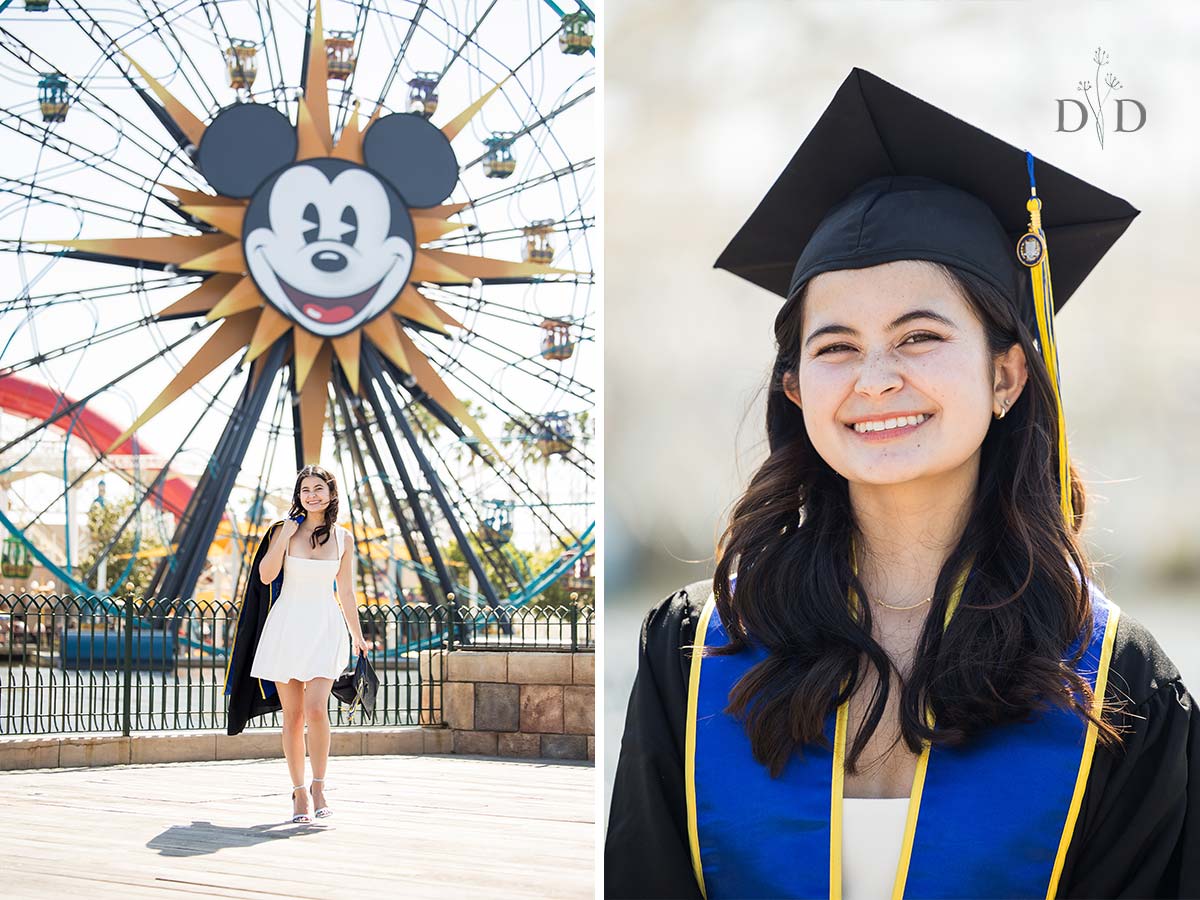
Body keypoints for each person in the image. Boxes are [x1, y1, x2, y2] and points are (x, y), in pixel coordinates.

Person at [605, 68, 1199, 899]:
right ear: (795, 388)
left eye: (919, 336)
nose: (874, 378)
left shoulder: (1114, 681)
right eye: (836, 346)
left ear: (1007, 376)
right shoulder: (699, 654)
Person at [224, 464, 370, 824]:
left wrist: (358, 634)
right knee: (294, 716)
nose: (312, 495)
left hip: (324, 626)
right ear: (298, 496)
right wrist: (284, 535)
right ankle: (299, 792)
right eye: (305, 490)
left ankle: (320, 785)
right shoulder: (283, 531)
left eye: (318, 489)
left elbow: (346, 592)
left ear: (332, 494)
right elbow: (266, 575)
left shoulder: (344, 538)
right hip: (286, 626)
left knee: (318, 709)